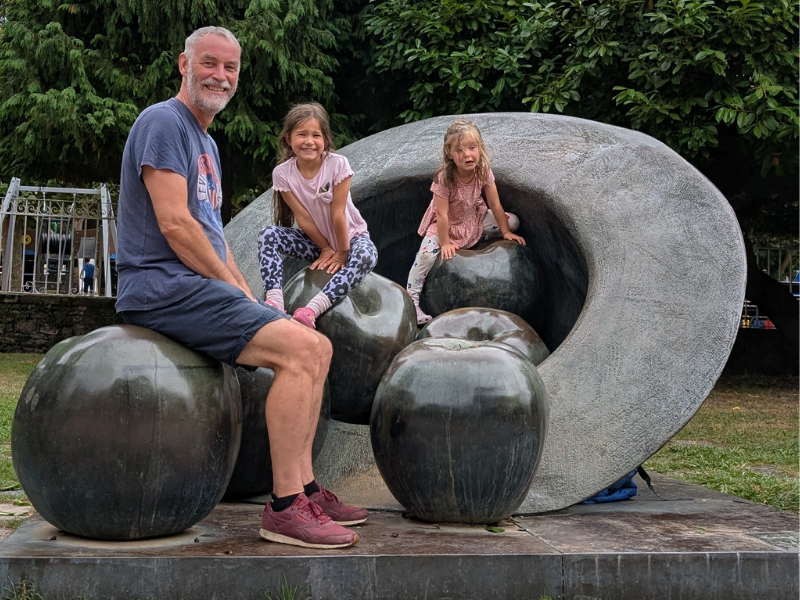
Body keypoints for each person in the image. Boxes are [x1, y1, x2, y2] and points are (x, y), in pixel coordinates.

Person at [114, 26, 365, 549]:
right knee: (300, 350)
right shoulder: (163, 123)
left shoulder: (205, 141)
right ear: (184, 65)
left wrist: (244, 291)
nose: (220, 76)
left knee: (317, 347)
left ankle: (306, 489)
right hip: (162, 288)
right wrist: (232, 289)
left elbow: (210, 231)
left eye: (230, 69)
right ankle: (283, 507)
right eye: (209, 64)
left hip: (192, 286)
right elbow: (176, 227)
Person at [257, 102, 378, 329]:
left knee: (367, 256)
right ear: (288, 138)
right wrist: (324, 248)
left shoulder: (337, 164)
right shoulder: (282, 173)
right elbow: (302, 217)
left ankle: (311, 309)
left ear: (325, 140)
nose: (309, 141)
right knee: (268, 235)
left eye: (316, 135)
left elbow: (338, 213)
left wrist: (341, 253)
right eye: (301, 134)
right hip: (317, 243)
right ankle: (274, 302)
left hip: (350, 239)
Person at [406, 119, 526, 325]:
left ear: (480, 148)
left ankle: (482, 236)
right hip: (445, 226)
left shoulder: (483, 170)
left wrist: (505, 232)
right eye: (460, 150)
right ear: (449, 154)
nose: (467, 155)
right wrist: (444, 243)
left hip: (474, 217)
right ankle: (412, 302)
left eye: (472, 148)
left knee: (512, 221)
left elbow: (495, 204)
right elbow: (442, 215)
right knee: (425, 255)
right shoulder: (444, 178)